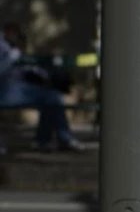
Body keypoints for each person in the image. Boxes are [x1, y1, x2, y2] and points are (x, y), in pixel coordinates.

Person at [0, 23, 83, 152]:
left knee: (52, 96)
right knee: (48, 97)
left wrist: (41, 74)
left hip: (18, 89)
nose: (15, 36)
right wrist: (12, 57)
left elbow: (23, 69)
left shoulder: (12, 47)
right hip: (4, 91)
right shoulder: (5, 48)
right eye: (12, 33)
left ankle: (53, 139)